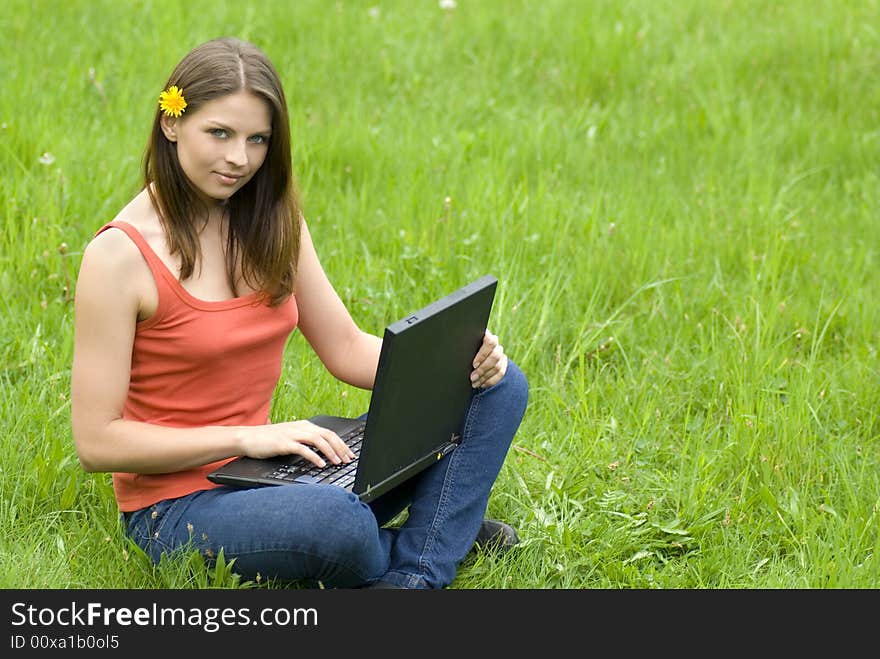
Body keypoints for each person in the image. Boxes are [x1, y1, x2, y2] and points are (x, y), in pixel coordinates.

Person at [70, 37, 528, 589]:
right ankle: (438, 537)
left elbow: (347, 351)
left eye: (257, 139)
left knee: (499, 387)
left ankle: (415, 570)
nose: (239, 158)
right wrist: (243, 438)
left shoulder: (273, 223)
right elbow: (97, 442)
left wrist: (456, 362)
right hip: (176, 507)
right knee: (340, 525)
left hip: (271, 474)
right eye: (219, 133)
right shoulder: (118, 258)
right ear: (172, 124)